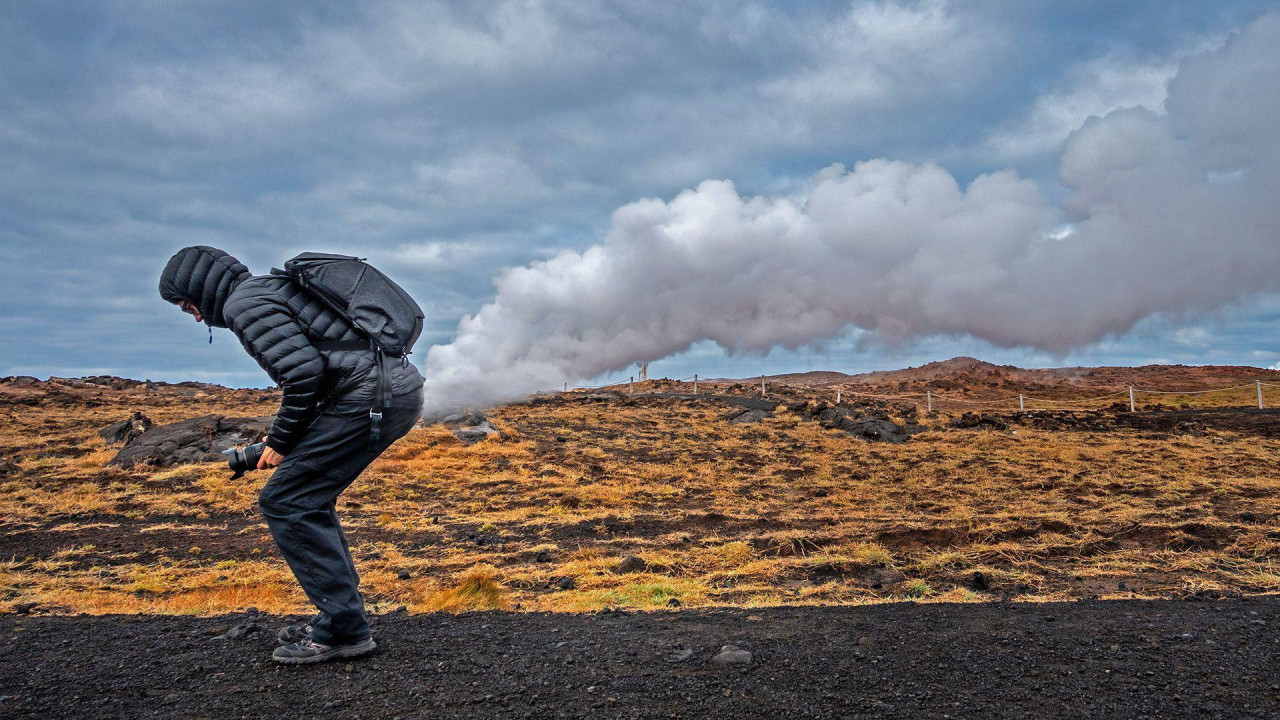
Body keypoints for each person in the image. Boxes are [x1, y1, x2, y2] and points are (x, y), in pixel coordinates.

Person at [159, 245, 424, 664]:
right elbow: (325, 370)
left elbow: (304, 376)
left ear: (201, 290)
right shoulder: (269, 289)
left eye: (187, 305)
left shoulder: (243, 305)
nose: (194, 316)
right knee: (306, 496)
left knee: (287, 499)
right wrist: (276, 444)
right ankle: (341, 620)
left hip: (372, 397)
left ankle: (343, 630)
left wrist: (280, 443)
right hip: (392, 389)